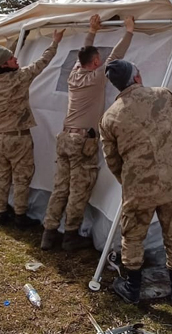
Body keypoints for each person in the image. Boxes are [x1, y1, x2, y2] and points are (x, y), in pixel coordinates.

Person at [100, 59, 172, 304]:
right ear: (137, 77)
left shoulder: (110, 117)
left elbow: (112, 159)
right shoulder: (163, 95)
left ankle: (132, 287)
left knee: (132, 236)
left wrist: (130, 181)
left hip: (138, 188)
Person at [41, 14, 134, 252]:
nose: (101, 61)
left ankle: (49, 233)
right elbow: (116, 57)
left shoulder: (74, 74)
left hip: (64, 138)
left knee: (60, 187)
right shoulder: (96, 78)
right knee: (78, 190)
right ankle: (70, 235)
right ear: (95, 63)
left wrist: (92, 30)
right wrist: (129, 31)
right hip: (82, 141)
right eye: (99, 60)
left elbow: (84, 51)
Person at [0, 29, 64, 227]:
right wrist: (55, 42)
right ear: (4, 64)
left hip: (0, 136)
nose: (16, 59)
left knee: (2, 175)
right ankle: (20, 215)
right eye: (11, 59)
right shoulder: (19, 78)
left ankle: (1, 212)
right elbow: (42, 63)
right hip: (18, 137)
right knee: (21, 177)